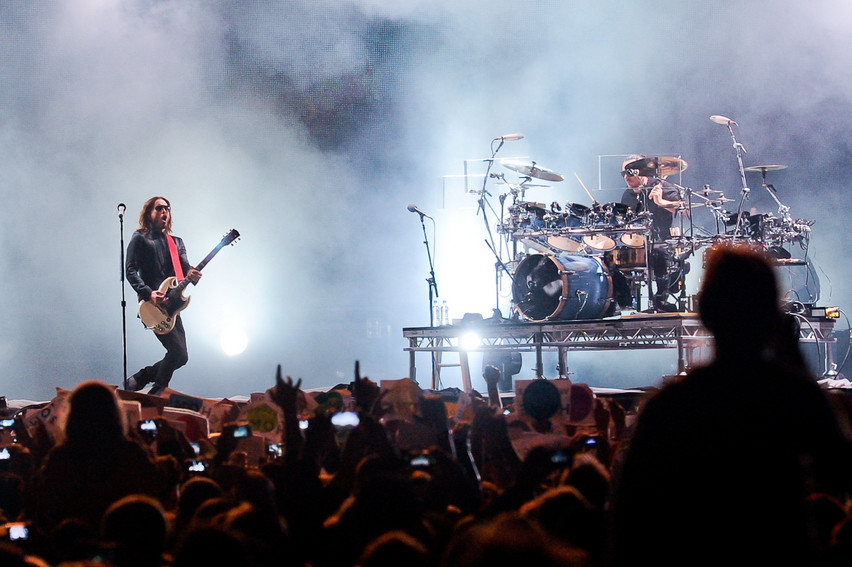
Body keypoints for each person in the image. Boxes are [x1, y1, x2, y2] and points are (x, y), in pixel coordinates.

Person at [609, 245, 852, 566]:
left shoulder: (670, 405)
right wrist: (798, 373)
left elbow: (627, 512)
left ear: (706, 313)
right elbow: (841, 474)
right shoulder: (793, 396)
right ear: (771, 315)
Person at [125, 196, 201, 395]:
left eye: (167, 208)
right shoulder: (140, 238)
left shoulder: (176, 242)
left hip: (172, 305)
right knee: (176, 351)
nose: (164, 212)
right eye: (159, 208)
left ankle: (142, 377)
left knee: (182, 357)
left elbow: (185, 271)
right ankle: (157, 392)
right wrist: (149, 294)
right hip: (151, 306)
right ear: (149, 214)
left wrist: (193, 275)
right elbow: (130, 271)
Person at [619, 154, 685, 311]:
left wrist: (661, 202)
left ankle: (661, 297)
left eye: (631, 172)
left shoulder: (663, 186)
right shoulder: (628, 194)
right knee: (610, 251)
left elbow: (685, 211)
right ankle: (622, 299)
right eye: (624, 173)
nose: (627, 177)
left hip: (662, 240)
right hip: (635, 240)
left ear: (643, 171)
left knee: (657, 250)